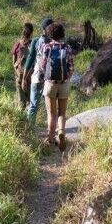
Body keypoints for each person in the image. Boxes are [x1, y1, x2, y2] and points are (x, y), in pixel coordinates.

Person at [40, 22, 74, 151]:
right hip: (64, 84)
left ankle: (50, 138)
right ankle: (61, 132)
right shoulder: (68, 48)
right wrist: (66, 78)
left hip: (50, 84)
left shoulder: (47, 47)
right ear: (62, 34)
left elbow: (43, 66)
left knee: (51, 113)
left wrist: (47, 76)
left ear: (50, 33)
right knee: (62, 113)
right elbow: (71, 67)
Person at [22, 17, 53, 125]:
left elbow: (30, 59)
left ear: (42, 29)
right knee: (49, 107)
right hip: (51, 79)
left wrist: (24, 78)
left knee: (33, 105)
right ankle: (51, 130)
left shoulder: (36, 41)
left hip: (37, 77)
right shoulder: (55, 42)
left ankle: (30, 128)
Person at [11, 23, 34, 110]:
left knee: (21, 103)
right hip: (31, 77)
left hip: (19, 77)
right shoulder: (34, 44)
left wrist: (18, 74)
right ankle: (31, 122)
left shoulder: (17, 44)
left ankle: (21, 120)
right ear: (32, 33)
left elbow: (14, 63)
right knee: (32, 103)